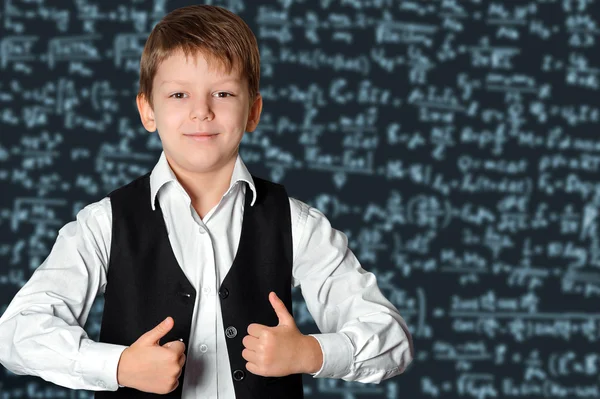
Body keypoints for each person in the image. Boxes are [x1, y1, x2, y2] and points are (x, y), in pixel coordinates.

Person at [0, 4, 413, 398]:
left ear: (253, 112)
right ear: (148, 111)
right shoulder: (103, 223)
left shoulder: (296, 223)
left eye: (223, 94)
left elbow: (391, 336)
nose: (201, 112)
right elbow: (17, 333)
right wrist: (120, 365)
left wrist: (312, 353)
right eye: (179, 95)